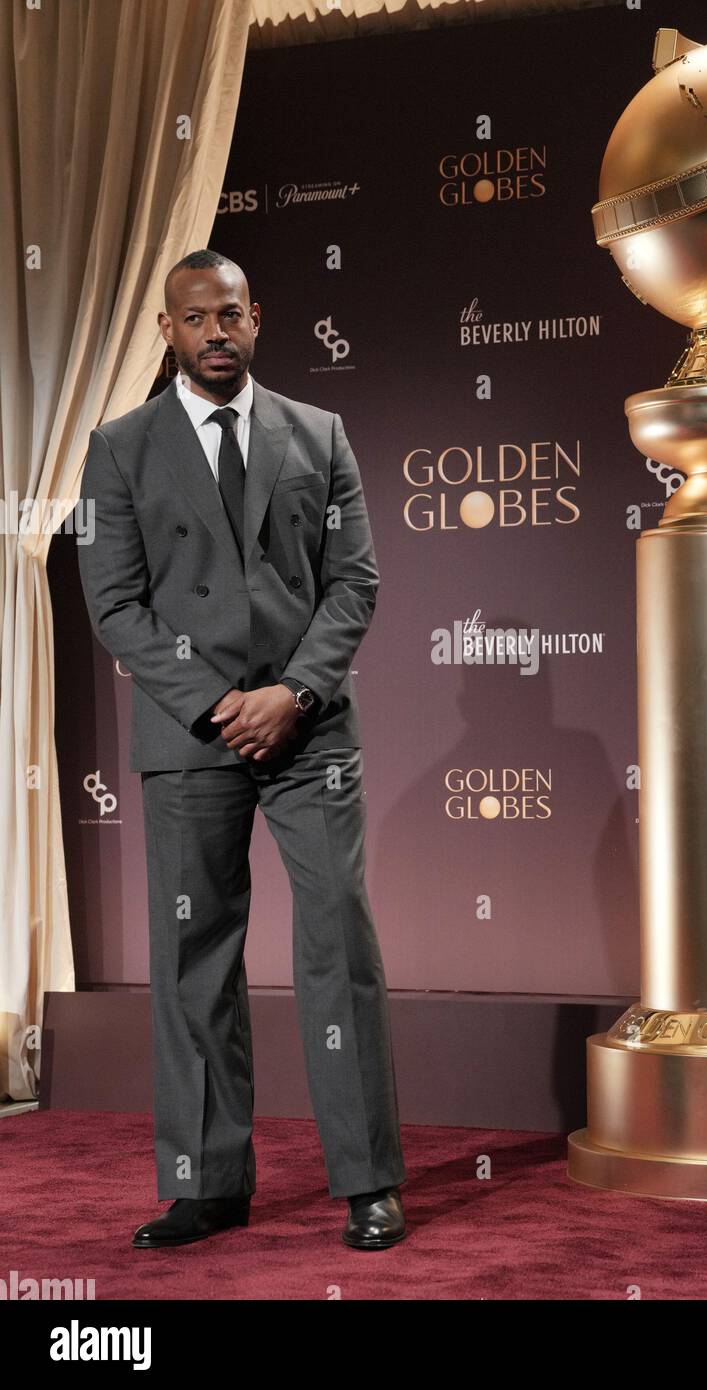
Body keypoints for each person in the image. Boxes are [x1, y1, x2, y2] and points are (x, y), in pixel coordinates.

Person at [77, 248, 406, 1250]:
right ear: (167, 331)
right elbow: (115, 604)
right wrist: (223, 703)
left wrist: (292, 694)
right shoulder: (118, 446)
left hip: (310, 730)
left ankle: (367, 1182)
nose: (214, 332)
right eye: (194, 318)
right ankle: (204, 1183)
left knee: (335, 941)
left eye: (230, 315)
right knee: (192, 958)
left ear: (255, 318)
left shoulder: (321, 433)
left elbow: (353, 583)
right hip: (191, 734)